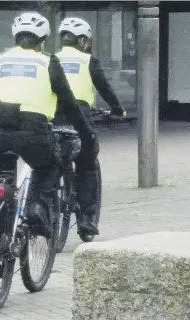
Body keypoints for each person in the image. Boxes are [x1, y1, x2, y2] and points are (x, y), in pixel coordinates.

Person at [0, 12, 91, 239]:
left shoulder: (0, 60)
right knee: (49, 166)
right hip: (33, 132)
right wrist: (86, 132)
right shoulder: (47, 61)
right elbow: (68, 102)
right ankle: (36, 209)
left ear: (15, 39)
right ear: (43, 41)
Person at [54, 17, 127, 235]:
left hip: (54, 119)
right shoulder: (88, 61)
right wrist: (117, 110)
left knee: (50, 163)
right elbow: (104, 88)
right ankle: (86, 219)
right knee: (87, 166)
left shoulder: (50, 60)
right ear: (84, 41)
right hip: (81, 120)